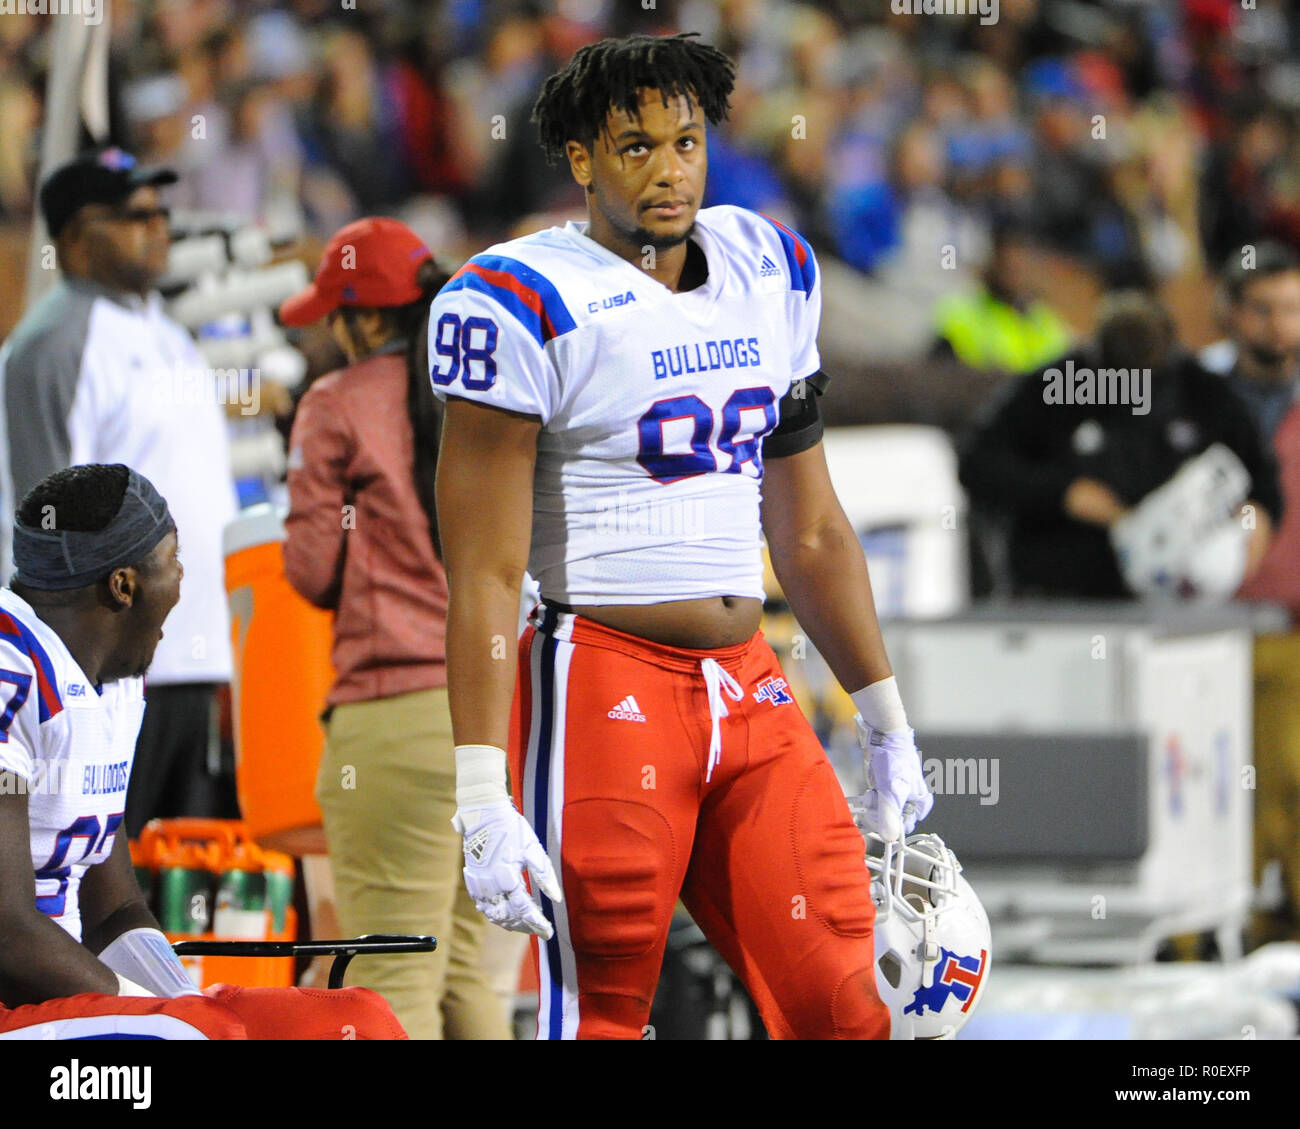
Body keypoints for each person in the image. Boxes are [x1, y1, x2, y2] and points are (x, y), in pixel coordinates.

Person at [430, 32, 933, 1041]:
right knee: (604, 1013)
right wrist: (480, 788)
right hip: (598, 678)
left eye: (687, 141)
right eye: (635, 146)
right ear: (580, 159)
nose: (669, 170)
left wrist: (884, 714)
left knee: (848, 1002)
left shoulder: (769, 265)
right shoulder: (518, 297)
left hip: (749, 684)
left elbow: (814, 526)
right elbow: (481, 572)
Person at [0, 464, 402, 1039]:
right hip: (14, 1001)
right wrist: (162, 1017)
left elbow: (113, 909)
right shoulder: (10, 669)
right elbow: (8, 933)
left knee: (358, 1022)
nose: (184, 577)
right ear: (123, 584)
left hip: (61, 1000)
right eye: (172, 558)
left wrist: (180, 1000)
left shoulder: (113, 682)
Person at [279, 217, 510, 1040]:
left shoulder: (334, 404)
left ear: (367, 319)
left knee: (390, 983)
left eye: (336, 318)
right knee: (467, 982)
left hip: (393, 717)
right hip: (494, 716)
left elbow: (307, 569)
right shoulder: (485, 392)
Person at [0, 148, 237, 838]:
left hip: (187, 658)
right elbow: (41, 516)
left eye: (161, 212)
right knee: (98, 878)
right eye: (133, 216)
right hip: (109, 670)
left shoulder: (164, 327)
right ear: (73, 240)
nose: (156, 227)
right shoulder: (54, 343)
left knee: (180, 880)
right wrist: (72, 680)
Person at [958, 290, 1280, 598]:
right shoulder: (1056, 387)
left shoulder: (1203, 393)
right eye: (1120, 377)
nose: (1132, 388)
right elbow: (977, 464)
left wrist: (1257, 517)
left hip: (1174, 599)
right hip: (1061, 594)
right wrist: (1064, 493)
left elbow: (1262, 479)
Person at [1213, 243, 1300, 945]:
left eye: (1293, 309)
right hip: (1204, 630)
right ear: (1234, 315)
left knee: (1291, 782)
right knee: (1213, 785)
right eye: (1265, 310)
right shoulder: (1196, 395)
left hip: (1292, 626)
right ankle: (1215, 926)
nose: (1280, 326)